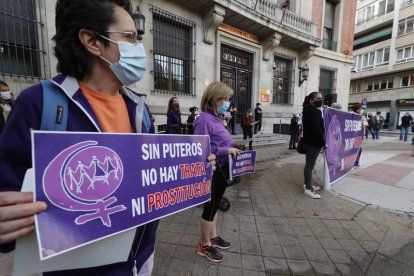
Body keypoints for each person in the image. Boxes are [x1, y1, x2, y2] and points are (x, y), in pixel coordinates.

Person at [0, 1, 213, 275]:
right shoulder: (39, 103)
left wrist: (194, 170)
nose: (139, 48)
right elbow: (7, 190)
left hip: (140, 260)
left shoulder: (139, 109)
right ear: (92, 41)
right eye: (129, 38)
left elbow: (150, 179)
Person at [194, 81, 242, 262]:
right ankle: (204, 244)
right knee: (210, 207)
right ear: (216, 99)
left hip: (222, 169)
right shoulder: (204, 120)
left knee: (214, 206)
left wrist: (234, 146)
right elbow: (201, 149)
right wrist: (225, 151)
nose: (229, 102)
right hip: (211, 171)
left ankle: (213, 237)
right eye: (227, 99)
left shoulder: (217, 119)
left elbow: (220, 142)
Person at [301, 92, 326, 199]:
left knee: (309, 165)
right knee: (310, 166)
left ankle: (308, 184)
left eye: (321, 98)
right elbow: (317, 129)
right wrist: (323, 143)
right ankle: (308, 189)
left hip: (311, 142)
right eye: (317, 98)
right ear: (311, 100)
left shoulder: (308, 110)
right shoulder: (313, 112)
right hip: (313, 143)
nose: (320, 100)